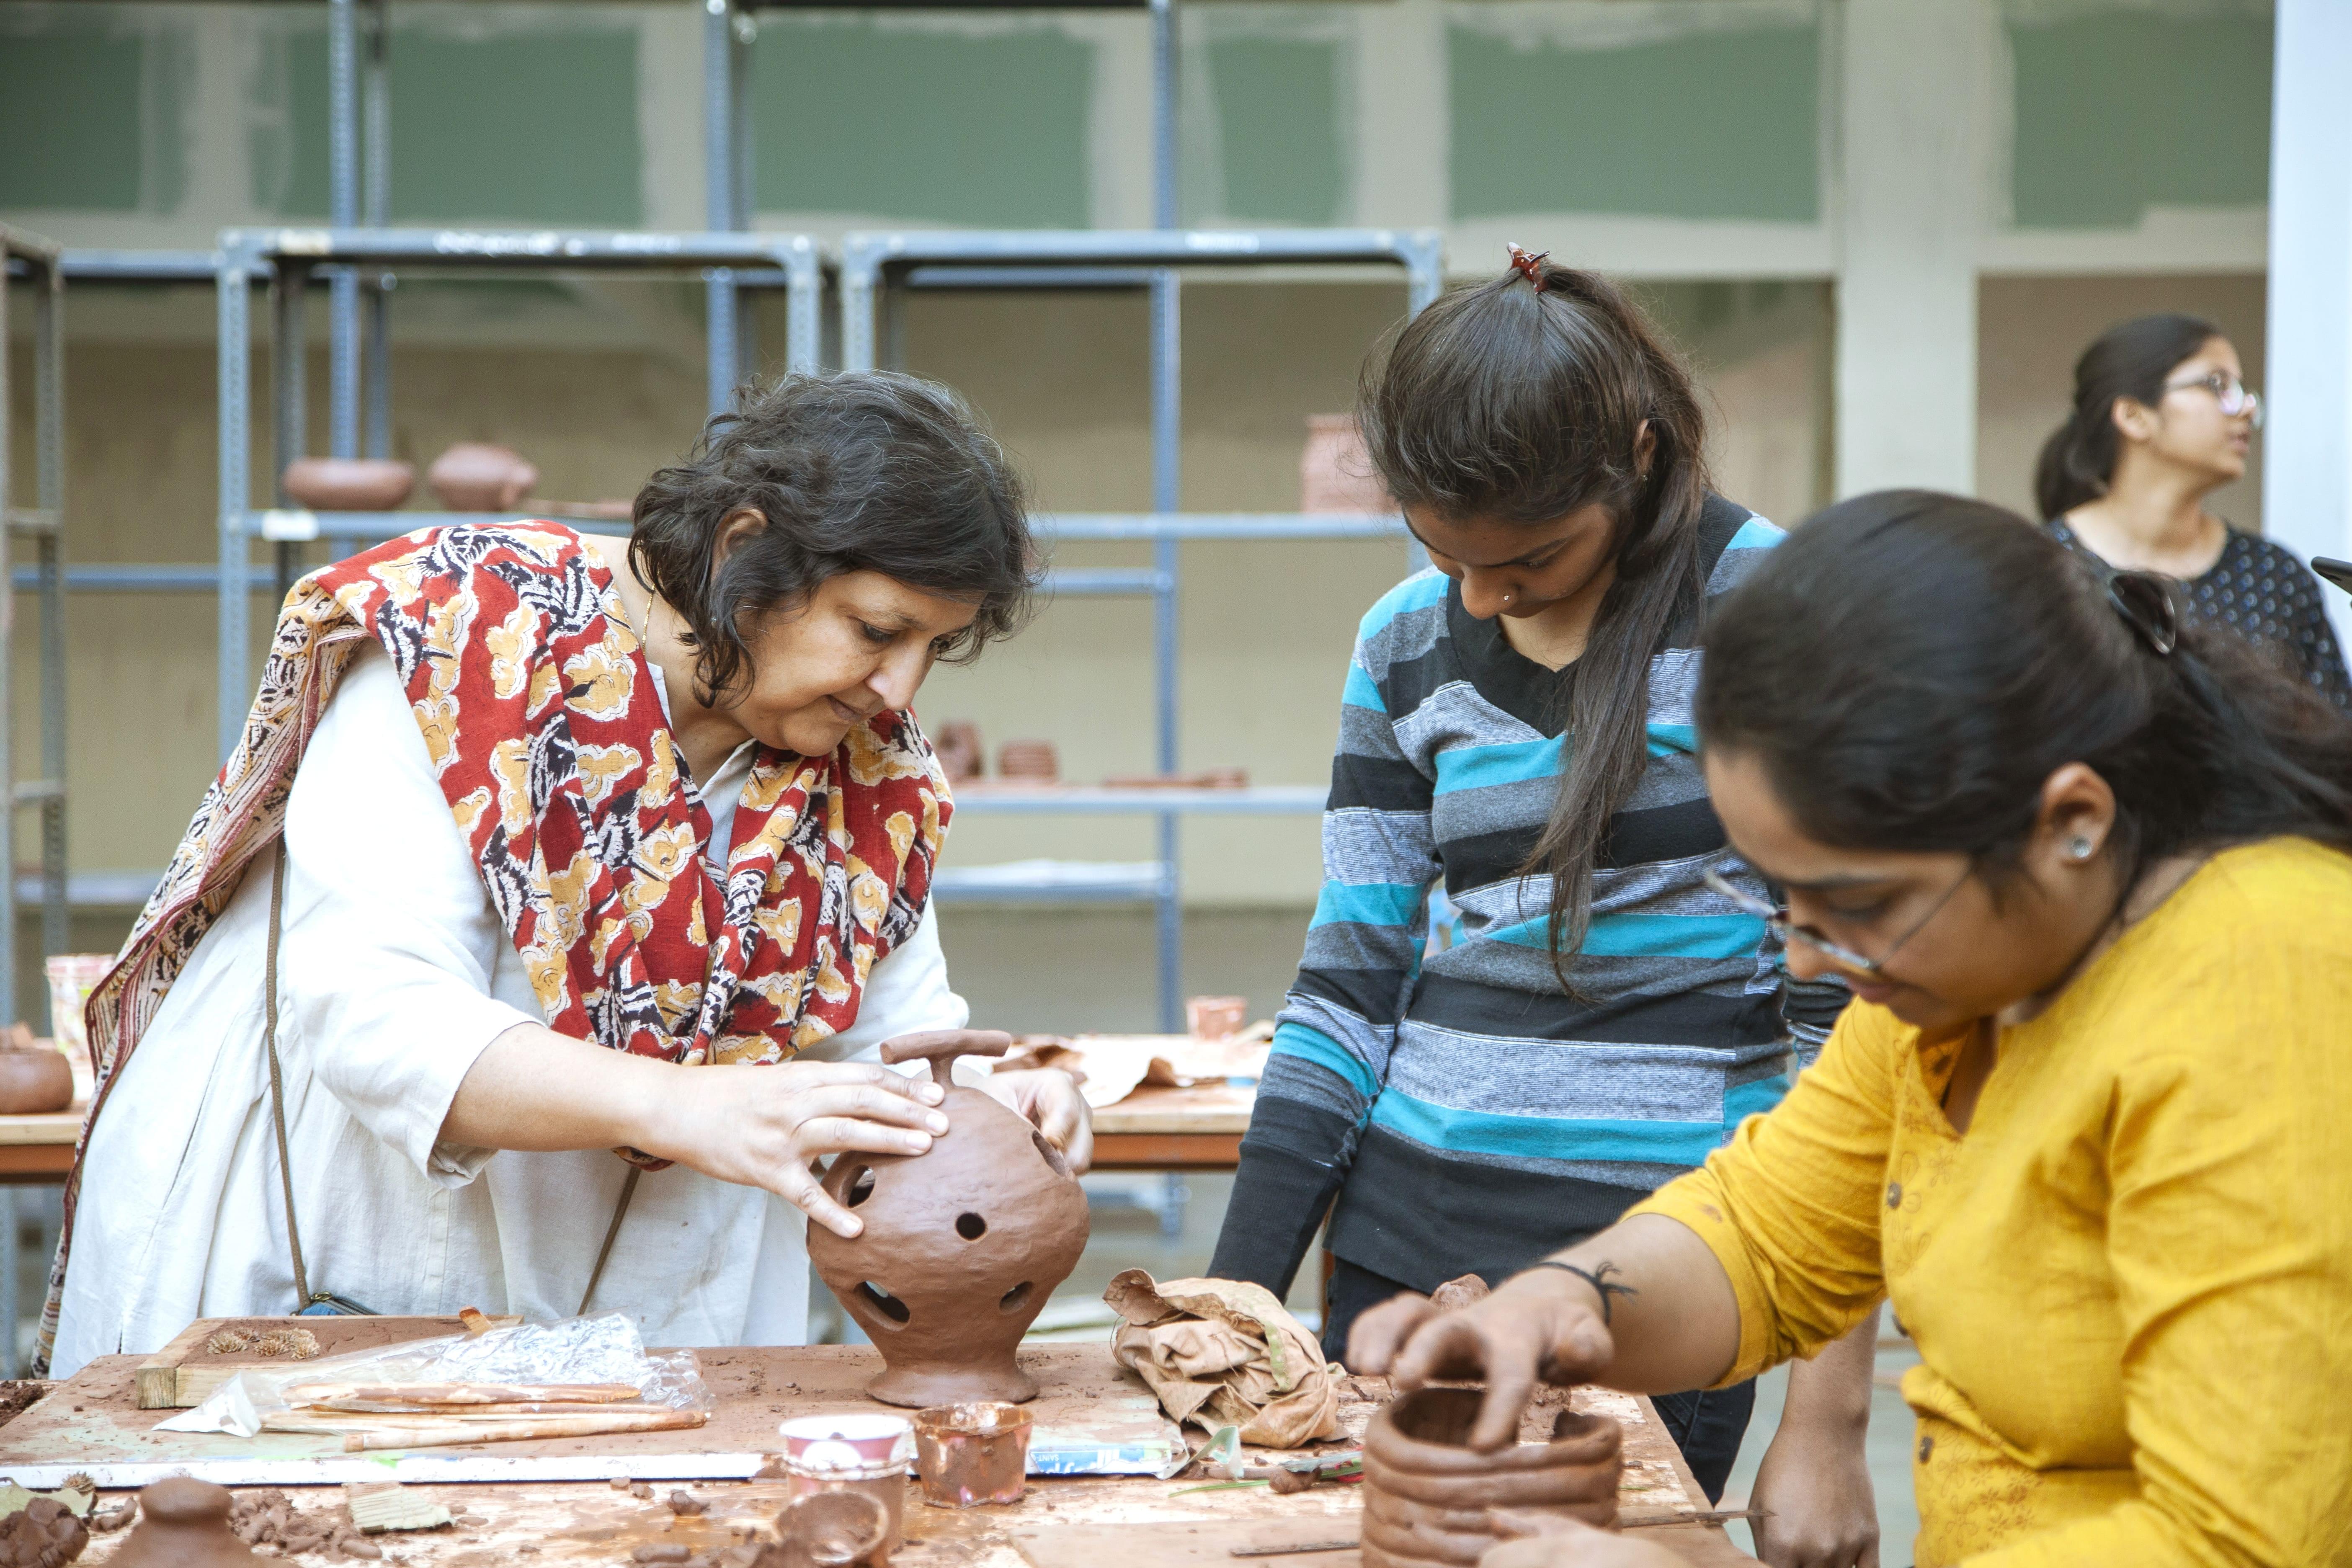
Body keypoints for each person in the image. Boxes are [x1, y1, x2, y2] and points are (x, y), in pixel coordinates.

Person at [1351, 491, 2352, 1568]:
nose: (1808, 956)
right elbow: (1768, 1232)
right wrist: (1561, 1300)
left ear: (2072, 821)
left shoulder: (2269, 989)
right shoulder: (1964, 977)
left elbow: (2240, 1538)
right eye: (1789, 901)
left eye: (1858, 903)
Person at [45, 373, 1091, 1377]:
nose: (898, 686)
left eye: (934, 649)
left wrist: (991, 1106)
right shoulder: (470, 638)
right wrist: (687, 1104)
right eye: (876, 630)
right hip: (334, 1235)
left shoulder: (868, 774)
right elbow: (376, 1017)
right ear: (743, 550)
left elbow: (893, 1046)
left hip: (639, 1288)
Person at [1206, 248, 1877, 1564]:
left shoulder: (1778, 613)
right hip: (1405, 1249)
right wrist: (1236, 1299)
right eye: (1440, 550)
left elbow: (1852, 1042)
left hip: (1663, 1276)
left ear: (1633, 457)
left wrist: (1830, 1420)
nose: (1478, 595)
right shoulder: (1404, 641)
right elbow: (1350, 978)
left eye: (1528, 556)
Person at [2036, 312, 2350, 709]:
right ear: (2134, 416)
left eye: (2244, 391)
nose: (2247, 410)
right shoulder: (2041, 569)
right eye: (2218, 385)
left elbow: (2333, 745)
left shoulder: (2274, 577)